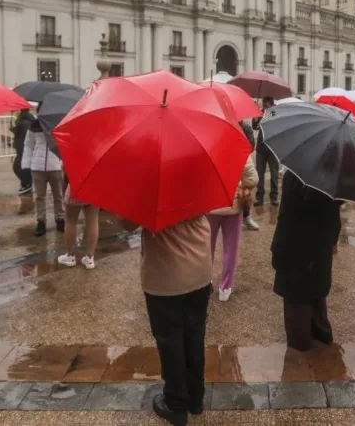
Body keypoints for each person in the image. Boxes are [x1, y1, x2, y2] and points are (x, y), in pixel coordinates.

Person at [119, 216, 212, 426]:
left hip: (164, 273)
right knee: (195, 333)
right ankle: (195, 398)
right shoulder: (199, 181)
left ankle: (176, 404)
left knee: (170, 340)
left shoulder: (146, 186)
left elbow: (127, 223)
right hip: (199, 265)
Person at [271, 172, 342, 352]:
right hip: (320, 245)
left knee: (296, 299)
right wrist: (333, 238)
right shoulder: (334, 175)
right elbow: (335, 213)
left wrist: (277, 248)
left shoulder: (294, 175)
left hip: (295, 246)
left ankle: (301, 346)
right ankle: (321, 335)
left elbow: (285, 217)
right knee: (317, 293)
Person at [207, 154, 258, 301]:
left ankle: (206, 282)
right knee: (230, 248)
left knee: (207, 247)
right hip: (234, 206)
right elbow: (252, 178)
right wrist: (241, 184)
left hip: (211, 205)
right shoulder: (238, 149)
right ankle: (226, 286)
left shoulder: (207, 148)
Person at [22, 117, 64, 236]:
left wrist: (63, 161)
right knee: (39, 197)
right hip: (37, 167)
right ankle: (41, 222)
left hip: (55, 166)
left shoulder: (58, 123)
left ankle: (60, 219)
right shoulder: (34, 125)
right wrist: (26, 163)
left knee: (58, 195)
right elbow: (28, 145)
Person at [57, 179, 100, 270]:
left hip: (76, 186)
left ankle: (70, 256)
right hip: (95, 187)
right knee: (93, 222)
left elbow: (65, 170)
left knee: (70, 221)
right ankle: (89, 258)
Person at [254, 97, 280, 207]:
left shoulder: (276, 114)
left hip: (273, 148)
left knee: (274, 174)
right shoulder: (260, 112)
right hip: (261, 148)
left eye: (266, 106)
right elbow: (255, 127)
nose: (264, 107)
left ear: (271, 105)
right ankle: (259, 197)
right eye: (263, 105)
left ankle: (274, 197)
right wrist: (255, 119)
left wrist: (266, 117)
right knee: (259, 174)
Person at [239, 120, 259, 231]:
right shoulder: (223, 124)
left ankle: (246, 216)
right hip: (226, 161)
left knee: (245, 193)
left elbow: (251, 145)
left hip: (242, 162)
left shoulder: (245, 127)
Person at [11, 109, 35, 196]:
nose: (15, 111)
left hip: (23, 148)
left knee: (17, 167)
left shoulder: (23, 122)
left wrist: (15, 130)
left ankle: (27, 184)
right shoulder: (23, 120)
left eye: (16, 110)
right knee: (19, 167)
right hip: (22, 148)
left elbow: (24, 134)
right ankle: (26, 184)